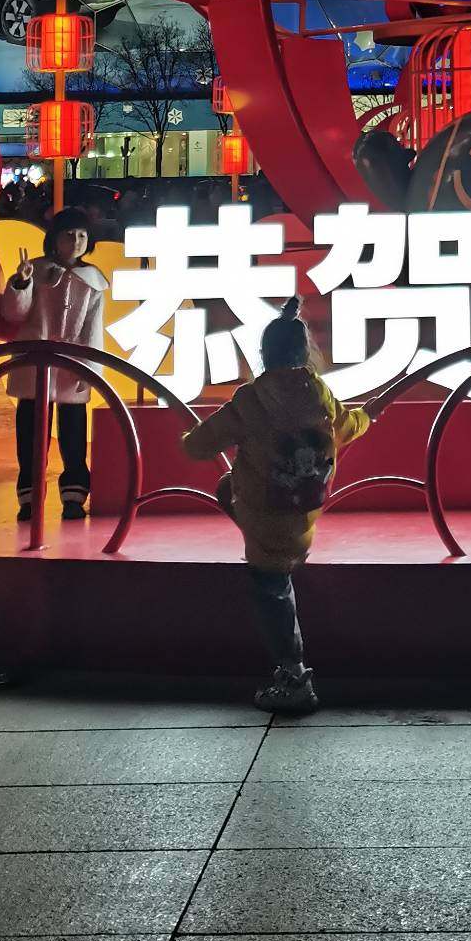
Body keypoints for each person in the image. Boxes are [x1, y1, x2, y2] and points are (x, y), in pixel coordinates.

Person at [179, 295, 368, 715]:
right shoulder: (320, 394)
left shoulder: (251, 399)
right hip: (303, 508)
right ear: (306, 352)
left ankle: (294, 677)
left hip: (265, 512)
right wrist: (367, 417)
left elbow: (198, 446)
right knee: (228, 488)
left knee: (271, 590)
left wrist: (189, 437)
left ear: (264, 354)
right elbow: (348, 426)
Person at [0, 206, 108, 523]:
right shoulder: (33, 270)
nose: (76, 241)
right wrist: (21, 284)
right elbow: (13, 314)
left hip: (73, 368)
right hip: (34, 366)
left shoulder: (94, 280)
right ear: (54, 239)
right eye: (69, 234)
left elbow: (93, 330)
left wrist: (91, 370)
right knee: (31, 438)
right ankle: (29, 499)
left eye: (82, 235)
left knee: (74, 438)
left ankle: (74, 497)